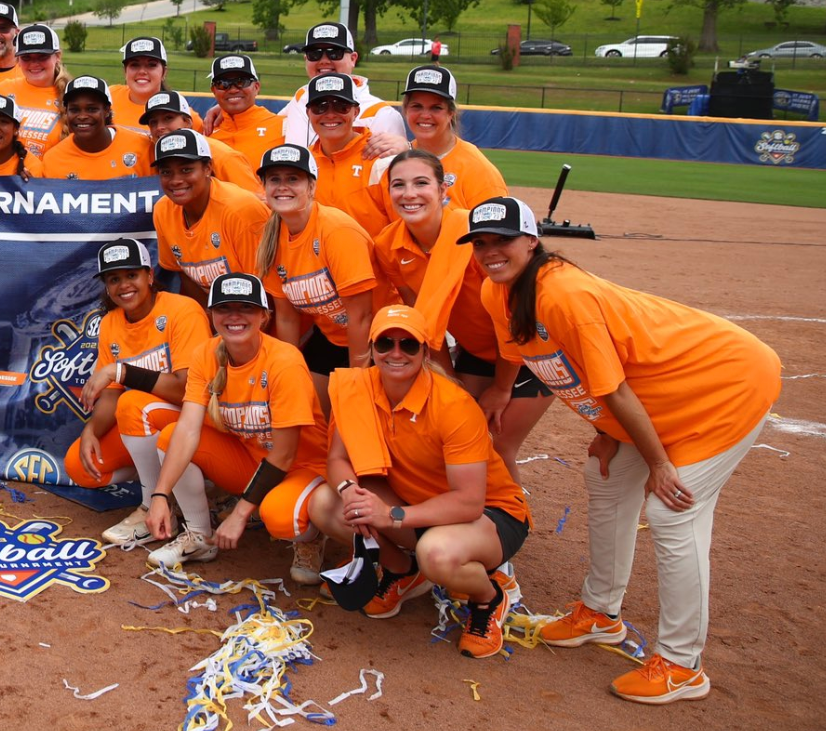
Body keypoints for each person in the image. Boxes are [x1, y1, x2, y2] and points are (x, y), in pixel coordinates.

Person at [467, 197, 781, 703]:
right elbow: (564, 368)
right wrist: (609, 433)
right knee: (604, 475)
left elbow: (614, 388)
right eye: (480, 243)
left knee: (672, 510)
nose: (490, 252)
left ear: (531, 240)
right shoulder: (497, 292)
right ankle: (599, 614)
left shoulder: (563, 294)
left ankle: (682, 665)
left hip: (725, 385)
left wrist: (657, 463)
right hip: (658, 399)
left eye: (501, 240)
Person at [319, 305, 530, 660]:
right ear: (371, 349)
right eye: (385, 343)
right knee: (328, 505)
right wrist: (349, 491)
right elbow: (337, 460)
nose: (396, 353)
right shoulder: (356, 387)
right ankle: (402, 571)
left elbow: (469, 502)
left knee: (437, 554)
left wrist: (392, 516)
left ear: (426, 352)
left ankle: (488, 597)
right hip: (415, 505)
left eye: (409, 345)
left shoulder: (453, 405)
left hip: (489, 516)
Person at [145, 273, 336, 583]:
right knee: (170, 438)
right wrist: (159, 495)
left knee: (278, 516)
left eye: (246, 308)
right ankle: (198, 537)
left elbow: (285, 455)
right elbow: (187, 430)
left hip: (303, 467)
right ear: (211, 315)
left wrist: (240, 512)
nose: (234, 317)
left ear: (264, 316)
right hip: (253, 460)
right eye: (224, 308)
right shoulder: (206, 353)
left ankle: (310, 538)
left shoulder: (283, 361)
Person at [373, 153, 550, 480]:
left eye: (421, 183)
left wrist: (501, 387)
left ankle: (511, 519)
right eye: (399, 185)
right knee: (459, 436)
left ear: (443, 190)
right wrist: (447, 375)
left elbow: (513, 317)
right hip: (475, 351)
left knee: (496, 446)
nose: (409, 193)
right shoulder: (387, 245)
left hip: (527, 352)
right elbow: (422, 318)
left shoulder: (474, 235)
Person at [66, 240, 204, 548]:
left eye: (132, 275)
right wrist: (91, 429)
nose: (124, 285)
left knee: (134, 404)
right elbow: (111, 396)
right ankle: (175, 488)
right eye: (114, 279)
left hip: (195, 424)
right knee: (81, 464)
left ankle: (152, 504)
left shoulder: (183, 310)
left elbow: (187, 390)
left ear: (150, 276)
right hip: (152, 422)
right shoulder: (111, 322)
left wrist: (123, 371)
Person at [254, 145, 378, 393]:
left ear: (311, 186)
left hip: (378, 339)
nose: (282, 186)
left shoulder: (336, 230)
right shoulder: (272, 237)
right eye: (274, 179)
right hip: (332, 338)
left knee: (353, 415)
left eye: (293, 179)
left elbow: (362, 317)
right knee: (303, 406)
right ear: (265, 188)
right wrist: (287, 372)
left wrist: (357, 380)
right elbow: (287, 318)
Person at [150, 130, 268, 311]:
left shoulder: (240, 209)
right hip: (225, 319)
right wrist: (211, 325)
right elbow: (184, 274)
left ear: (207, 168)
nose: (176, 180)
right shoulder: (163, 210)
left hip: (268, 319)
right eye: (166, 172)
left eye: (186, 169)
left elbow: (268, 288)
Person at [275, 22, 405, 153]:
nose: (324, 60)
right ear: (306, 59)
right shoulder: (301, 96)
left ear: (353, 59)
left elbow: (401, 165)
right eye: (315, 53)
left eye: (334, 53)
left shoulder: (381, 113)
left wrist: (407, 147)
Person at [399, 66, 507, 213]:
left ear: (451, 113)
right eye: (416, 106)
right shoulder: (398, 159)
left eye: (436, 108)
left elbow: (496, 233)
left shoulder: (477, 170)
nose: (425, 115)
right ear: (405, 110)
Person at [303, 74, 394, 237]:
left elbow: (403, 228)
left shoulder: (380, 159)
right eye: (320, 107)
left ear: (356, 112)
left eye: (341, 106)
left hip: (369, 261)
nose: (330, 114)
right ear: (308, 113)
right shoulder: (303, 161)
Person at [140, 89, 261, 193]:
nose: (159, 127)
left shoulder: (223, 157)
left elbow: (256, 205)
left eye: (168, 118)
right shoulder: (151, 151)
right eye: (153, 122)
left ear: (187, 122)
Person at [39, 76, 153, 180]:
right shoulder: (53, 160)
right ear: (66, 112)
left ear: (107, 110)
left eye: (92, 109)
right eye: (74, 110)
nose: (82, 116)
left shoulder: (143, 147)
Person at [0, 24, 67, 155]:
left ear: (57, 56)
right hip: (7, 174)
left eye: (42, 56)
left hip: (51, 174)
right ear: (18, 60)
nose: (34, 63)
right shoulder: (2, 91)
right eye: (26, 57)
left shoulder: (72, 95)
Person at [205, 54, 283, 170]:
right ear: (213, 90)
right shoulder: (204, 132)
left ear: (256, 87)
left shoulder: (283, 127)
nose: (233, 89)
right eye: (223, 84)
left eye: (242, 82)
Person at [111, 37, 197, 134]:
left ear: (164, 72)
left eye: (151, 65)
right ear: (125, 71)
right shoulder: (108, 97)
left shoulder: (183, 114)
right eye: (134, 65)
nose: (142, 71)